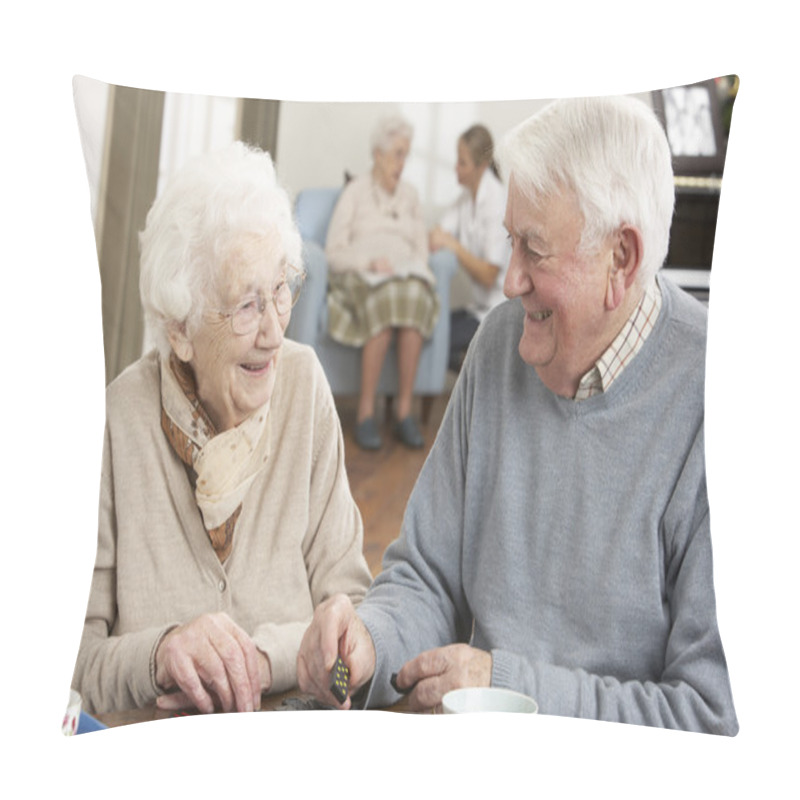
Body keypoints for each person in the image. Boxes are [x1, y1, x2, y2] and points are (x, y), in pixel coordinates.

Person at [296, 96, 739, 735]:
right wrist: (371, 639)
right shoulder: (499, 344)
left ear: (622, 258)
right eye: (511, 241)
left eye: (534, 249)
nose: (508, 281)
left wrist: (503, 686)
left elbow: (708, 718)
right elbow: (427, 576)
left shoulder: (719, 404)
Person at [71, 142, 373, 716]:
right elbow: (72, 660)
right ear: (179, 329)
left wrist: (262, 663)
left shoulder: (304, 388)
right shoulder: (117, 425)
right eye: (245, 305)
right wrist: (159, 655)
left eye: (279, 290)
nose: (273, 332)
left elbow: (350, 612)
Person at [325, 115, 439, 451]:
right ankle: (364, 413)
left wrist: (413, 269)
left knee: (415, 296)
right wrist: (368, 262)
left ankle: (404, 412)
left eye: (406, 155)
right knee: (385, 300)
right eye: (397, 154)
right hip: (364, 276)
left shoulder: (411, 196)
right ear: (378, 154)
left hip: (403, 276)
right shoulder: (355, 192)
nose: (402, 164)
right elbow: (333, 251)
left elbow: (421, 251)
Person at [429, 124, 511, 372]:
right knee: (432, 329)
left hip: (500, 309)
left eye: (462, 162)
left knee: (437, 343)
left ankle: (475, 372)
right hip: (478, 309)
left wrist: (453, 245)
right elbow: (437, 235)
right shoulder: (466, 199)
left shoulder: (496, 200)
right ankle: (473, 370)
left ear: (481, 166)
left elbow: (488, 275)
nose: (456, 167)